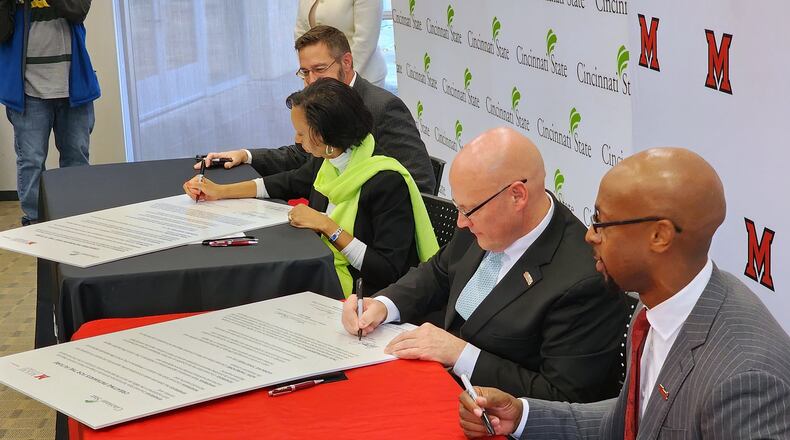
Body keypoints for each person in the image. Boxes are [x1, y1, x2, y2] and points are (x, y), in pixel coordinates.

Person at [458, 148, 790, 439]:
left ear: (659, 236)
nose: (589, 235)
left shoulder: (743, 379)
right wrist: (522, 416)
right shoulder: (653, 305)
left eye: (602, 222)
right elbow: (635, 420)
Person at [341, 127, 627, 402]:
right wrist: (383, 305)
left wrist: (460, 354)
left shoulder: (583, 279)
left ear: (517, 196)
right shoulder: (482, 221)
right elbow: (438, 273)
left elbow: (562, 398)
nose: (460, 222)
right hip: (439, 386)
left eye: (467, 210)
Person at [184, 78, 439, 297]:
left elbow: (386, 270)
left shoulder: (385, 181)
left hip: (364, 294)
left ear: (327, 136)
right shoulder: (329, 161)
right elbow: (283, 183)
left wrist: (327, 225)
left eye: (302, 133)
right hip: (324, 270)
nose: (296, 140)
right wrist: (219, 191)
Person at [195, 25, 435, 195]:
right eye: (305, 72)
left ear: (347, 62)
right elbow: (302, 156)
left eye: (319, 69)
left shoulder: (383, 107)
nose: (311, 80)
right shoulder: (319, 102)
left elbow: (420, 184)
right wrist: (246, 155)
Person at [0, 0, 100, 225]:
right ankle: (36, 222)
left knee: (76, 158)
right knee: (31, 161)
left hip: (72, 86)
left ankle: (77, 220)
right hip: (27, 90)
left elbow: (78, 11)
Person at [295, 0, 387, 87]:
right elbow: (301, 32)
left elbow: (365, 40)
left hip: (362, 75)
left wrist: (344, 80)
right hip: (320, 81)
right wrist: (308, 75)